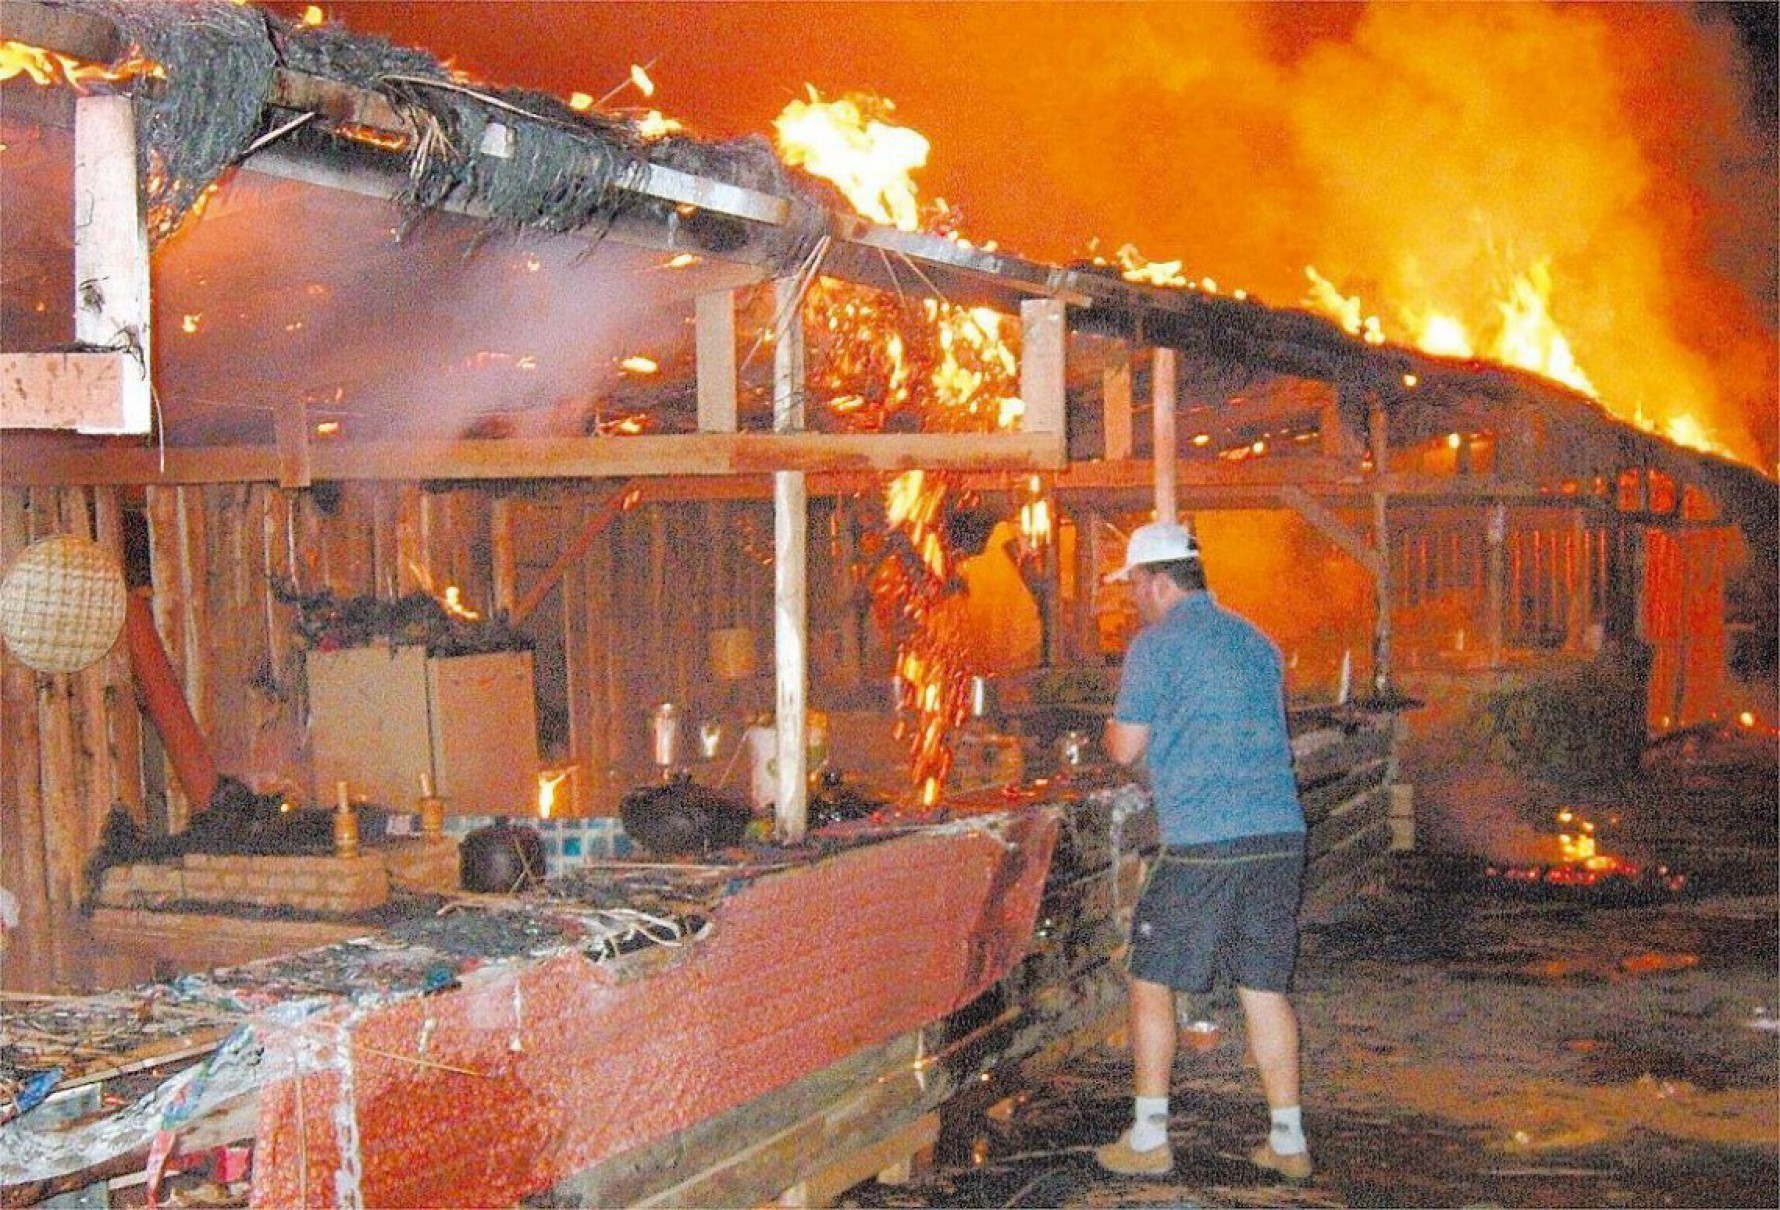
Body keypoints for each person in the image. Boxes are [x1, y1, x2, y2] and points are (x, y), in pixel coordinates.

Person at [1093, 520, 1313, 1181]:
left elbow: (1127, 748)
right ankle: (1286, 1139)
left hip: (1204, 844)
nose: (1132, 599)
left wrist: (1112, 736)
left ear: (1159, 582)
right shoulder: (1257, 640)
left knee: (1149, 978)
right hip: (1280, 837)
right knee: (1264, 987)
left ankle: (1149, 1136)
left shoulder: (1155, 646)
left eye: (1134, 586)